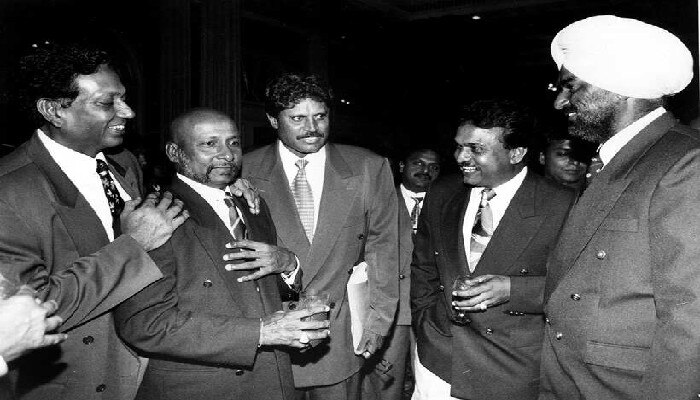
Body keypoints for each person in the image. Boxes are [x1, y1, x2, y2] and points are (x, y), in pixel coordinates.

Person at [0, 41, 252, 400]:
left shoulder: (124, 163)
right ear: (54, 110)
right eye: (107, 103)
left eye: (123, 98)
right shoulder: (10, 191)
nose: (128, 112)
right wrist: (132, 247)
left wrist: (227, 185)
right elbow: (33, 312)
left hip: (147, 375)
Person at [114, 108, 330, 400]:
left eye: (234, 143)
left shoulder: (251, 205)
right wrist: (261, 333)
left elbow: (257, 290)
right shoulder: (156, 215)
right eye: (209, 144)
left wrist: (289, 267)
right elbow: (144, 323)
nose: (226, 154)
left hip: (270, 381)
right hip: (203, 387)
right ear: (175, 152)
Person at [540, 15, 699, 399]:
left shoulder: (684, 162)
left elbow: (690, 315)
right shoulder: (619, 158)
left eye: (570, 86)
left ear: (618, 86)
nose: (560, 101)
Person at [243, 73, 399, 400]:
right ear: (273, 120)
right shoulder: (244, 171)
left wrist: (377, 324)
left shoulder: (369, 167)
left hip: (339, 335)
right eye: (297, 118)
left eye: (320, 116)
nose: (312, 128)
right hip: (272, 335)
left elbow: (384, 251)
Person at [411, 99, 576, 400]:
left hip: (511, 368)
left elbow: (578, 288)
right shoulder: (442, 193)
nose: (461, 157)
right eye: (459, 146)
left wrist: (513, 289)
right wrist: (426, 320)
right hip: (437, 359)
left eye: (476, 149)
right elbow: (423, 267)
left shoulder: (563, 204)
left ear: (517, 152)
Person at [363, 148, 440, 400]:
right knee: (384, 381)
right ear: (400, 166)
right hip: (390, 309)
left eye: (433, 166)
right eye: (418, 162)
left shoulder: (448, 206)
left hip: (432, 311)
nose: (425, 170)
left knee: (432, 383)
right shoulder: (378, 201)